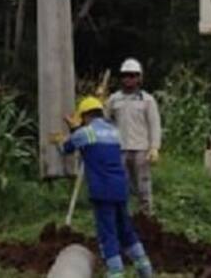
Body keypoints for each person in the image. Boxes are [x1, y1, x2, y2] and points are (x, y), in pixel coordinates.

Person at [54, 96, 154, 278]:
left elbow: (65, 148)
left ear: (84, 116)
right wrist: (77, 129)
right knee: (127, 231)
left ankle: (116, 273)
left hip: (102, 191)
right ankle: (146, 271)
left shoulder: (85, 133)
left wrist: (67, 133)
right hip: (120, 189)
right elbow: (94, 146)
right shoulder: (114, 132)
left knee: (108, 235)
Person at [105, 58, 162, 215]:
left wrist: (154, 147)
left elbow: (154, 125)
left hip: (141, 150)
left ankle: (146, 216)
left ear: (139, 78)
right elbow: (105, 122)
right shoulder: (114, 100)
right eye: (125, 75)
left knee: (143, 187)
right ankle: (124, 217)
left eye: (132, 75)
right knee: (121, 186)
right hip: (120, 149)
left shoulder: (147, 100)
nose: (128, 79)